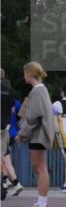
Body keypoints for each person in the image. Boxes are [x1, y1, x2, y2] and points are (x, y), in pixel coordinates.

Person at [16, 62, 58, 207]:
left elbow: (33, 116)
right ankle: (41, 203)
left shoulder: (37, 91)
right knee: (39, 168)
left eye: (24, 73)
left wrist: (22, 133)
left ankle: (42, 204)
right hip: (39, 134)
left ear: (29, 73)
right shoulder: (41, 90)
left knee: (40, 169)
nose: (24, 76)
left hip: (39, 135)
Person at [1, 69, 24, 199]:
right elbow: (15, 112)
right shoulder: (10, 94)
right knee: (5, 158)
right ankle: (10, 182)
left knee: (4, 158)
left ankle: (9, 182)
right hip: (8, 129)